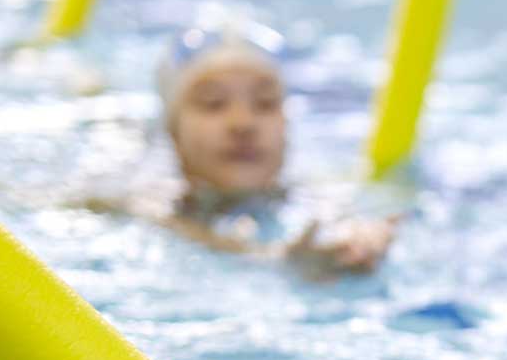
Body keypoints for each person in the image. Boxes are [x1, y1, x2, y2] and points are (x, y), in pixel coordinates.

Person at [142, 22, 397, 271]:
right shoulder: (141, 201)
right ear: (173, 130)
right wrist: (277, 260)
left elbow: (350, 214)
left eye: (265, 103)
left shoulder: (321, 191)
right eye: (214, 103)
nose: (243, 123)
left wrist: (359, 235)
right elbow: (175, 226)